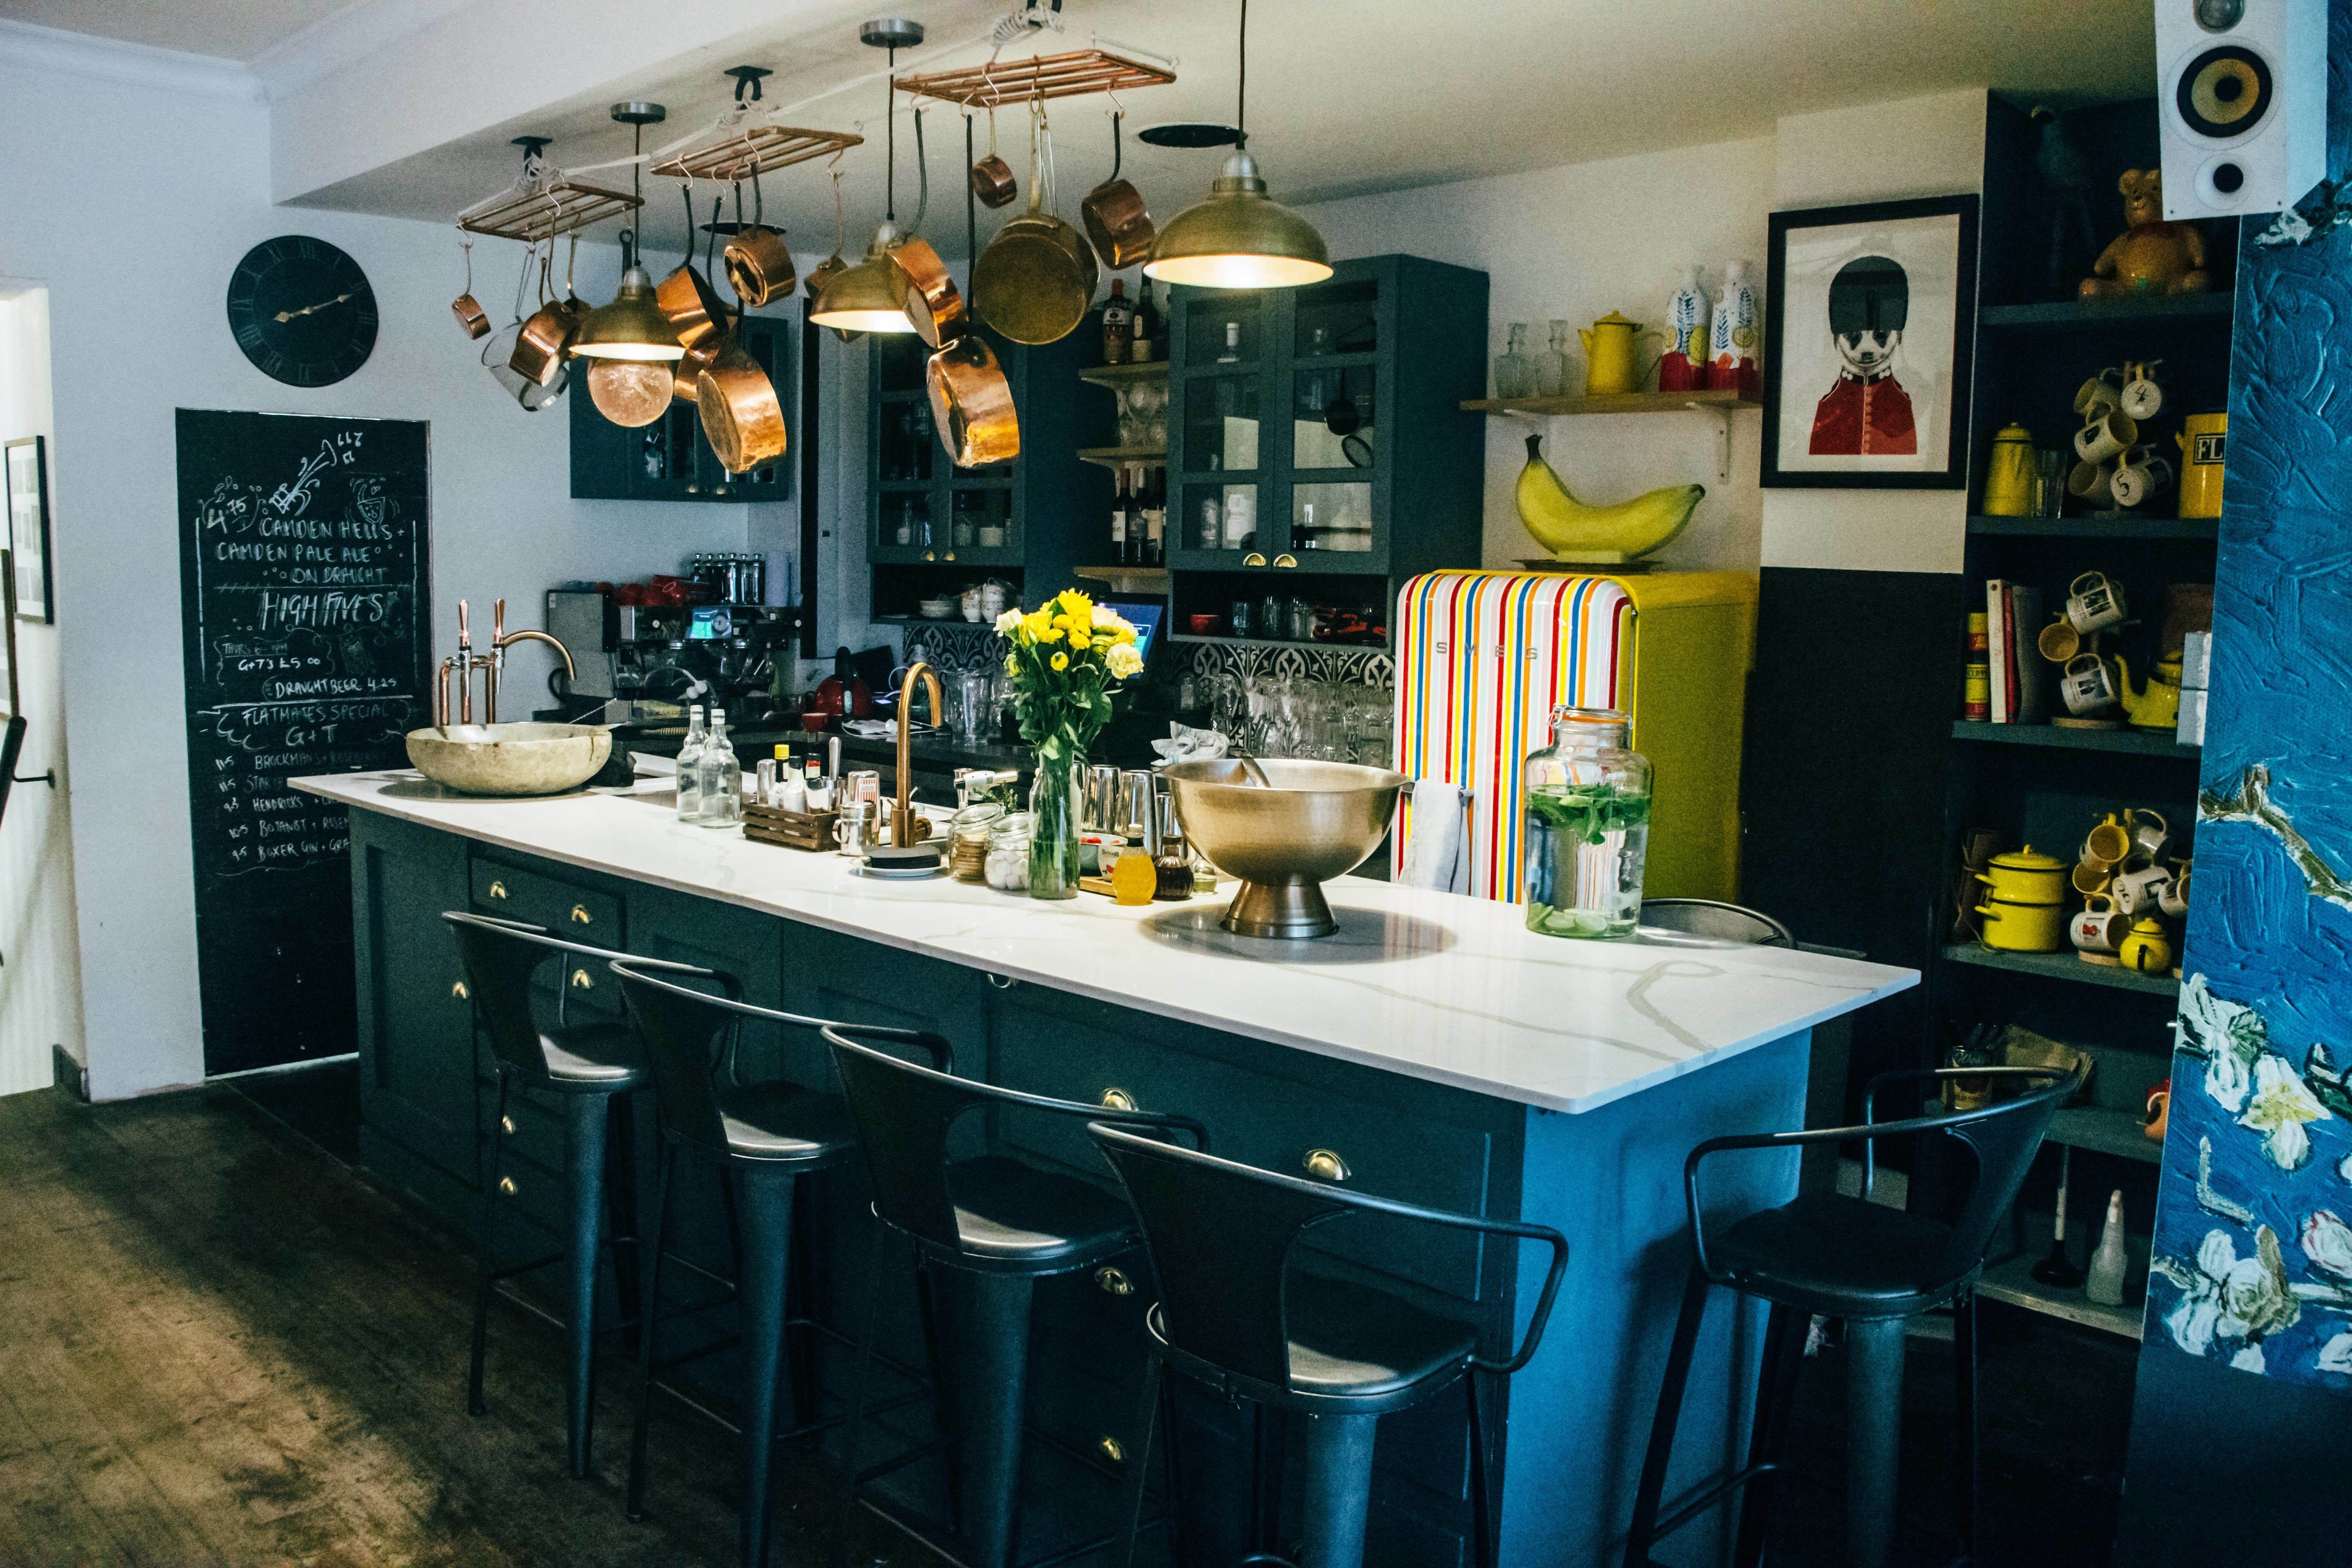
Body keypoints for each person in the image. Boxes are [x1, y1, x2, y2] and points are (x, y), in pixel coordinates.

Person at [1808, 255, 1917, 456]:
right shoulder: (1827, 406)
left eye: (1881, 335)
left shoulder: (1905, 402)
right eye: (1853, 336)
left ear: (1898, 335)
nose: (1867, 349)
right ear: (1836, 337)